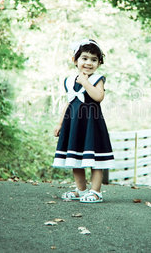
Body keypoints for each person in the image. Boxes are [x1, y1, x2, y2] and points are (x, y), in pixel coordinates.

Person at [53, 39, 114, 203]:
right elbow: (69, 102)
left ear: (99, 63)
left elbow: (98, 97)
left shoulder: (97, 79)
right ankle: (81, 190)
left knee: (96, 159)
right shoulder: (69, 80)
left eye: (94, 60)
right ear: (75, 60)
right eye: (85, 58)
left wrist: (86, 82)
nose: (89, 63)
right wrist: (60, 123)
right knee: (75, 158)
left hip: (91, 125)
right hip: (74, 124)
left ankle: (95, 191)